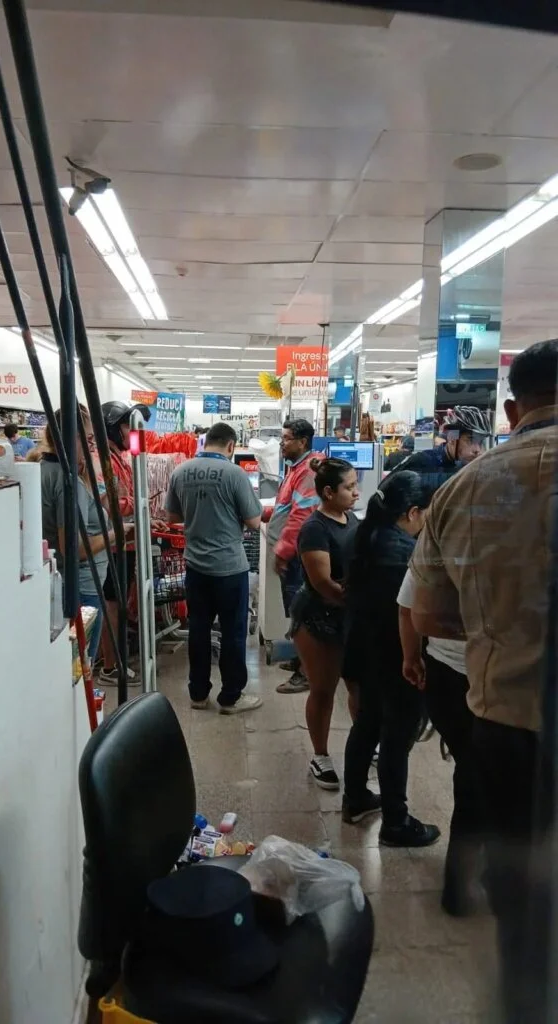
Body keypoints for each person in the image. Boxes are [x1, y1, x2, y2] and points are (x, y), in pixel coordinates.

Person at [409, 339, 558, 1023]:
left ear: (509, 406)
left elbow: (434, 614)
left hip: (508, 724)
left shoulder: (465, 486)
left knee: (522, 891)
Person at [342, 471, 440, 847]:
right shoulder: (404, 554)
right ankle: (396, 822)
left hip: (363, 650)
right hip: (396, 656)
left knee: (367, 723)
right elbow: (410, 613)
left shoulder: (363, 536)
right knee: (397, 737)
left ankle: (356, 797)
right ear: (413, 512)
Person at [397, 569, 481, 914]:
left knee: (473, 773)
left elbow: (406, 607)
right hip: (500, 677)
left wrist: (411, 657)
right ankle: (468, 883)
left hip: (445, 676)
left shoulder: (439, 541)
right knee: (484, 778)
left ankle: (467, 880)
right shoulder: (525, 539)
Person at [166, 421, 263, 714]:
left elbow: (172, 516)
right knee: (233, 633)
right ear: (231, 446)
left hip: (196, 566)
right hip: (230, 569)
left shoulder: (181, 471)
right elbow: (254, 522)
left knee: (198, 630)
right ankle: (230, 697)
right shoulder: (234, 474)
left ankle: (198, 694)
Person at [290, 458, 360, 789]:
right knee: (323, 689)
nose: (356, 492)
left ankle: (364, 743)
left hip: (350, 616)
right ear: (329, 492)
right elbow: (324, 584)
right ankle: (320, 756)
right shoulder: (314, 528)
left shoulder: (352, 520)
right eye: (349, 487)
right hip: (320, 618)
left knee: (358, 684)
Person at [40, 405, 122, 660]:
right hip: (82, 587)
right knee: (80, 667)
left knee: (69, 666)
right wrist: (117, 533)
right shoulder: (68, 482)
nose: (92, 448)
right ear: (68, 438)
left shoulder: (43, 468)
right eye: (87, 441)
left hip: (59, 584)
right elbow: (75, 549)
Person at [98, 400, 153, 684]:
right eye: (125, 427)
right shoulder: (104, 460)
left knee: (120, 602)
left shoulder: (121, 457)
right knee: (113, 603)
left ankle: (117, 658)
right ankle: (110, 666)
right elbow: (112, 505)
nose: (131, 433)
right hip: (113, 545)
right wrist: (137, 503)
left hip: (127, 543)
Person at [266, 419, 322, 694]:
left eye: (286, 438)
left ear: (302, 441)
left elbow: (301, 516)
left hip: (299, 554)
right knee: (296, 610)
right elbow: (286, 507)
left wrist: (284, 551)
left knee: (303, 612)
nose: (281, 443)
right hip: (293, 551)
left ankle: (306, 672)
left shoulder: (308, 472)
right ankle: (300, 659)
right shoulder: (297, 469)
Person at [387, 406, 491, 491]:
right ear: (452, 438)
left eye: (480, 442)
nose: (477, 449)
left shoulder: (470, 469)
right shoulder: (422, 461)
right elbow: (384, 491)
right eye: (471, 440)